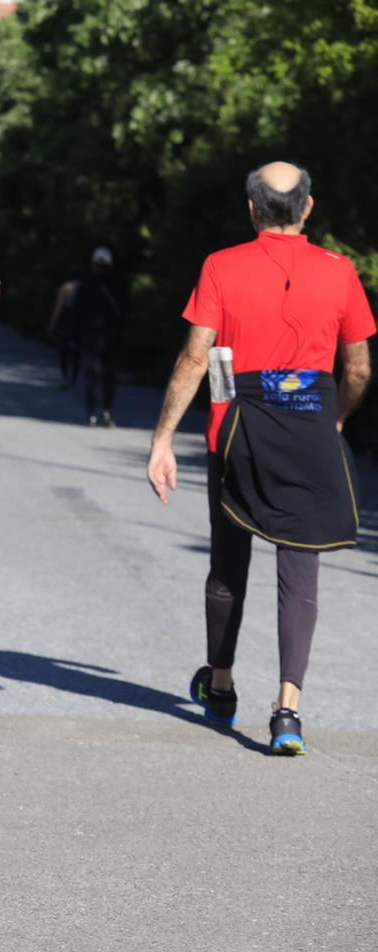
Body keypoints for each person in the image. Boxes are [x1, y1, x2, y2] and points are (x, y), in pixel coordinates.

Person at [146, 161, 373, 757]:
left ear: (251, 210)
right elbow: (358, 367)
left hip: (238, 428)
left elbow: (196, 360)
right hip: (310, 429)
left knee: (228, 561)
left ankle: (220, 686)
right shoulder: (340, 271)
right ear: (308, 208)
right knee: (301, 574)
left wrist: (162, 440)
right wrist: (336, 420)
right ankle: (287, 713)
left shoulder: (221, 266)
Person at [73, 246, 129, 426]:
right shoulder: (119, 284)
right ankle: (107, 411)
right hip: (112, 334)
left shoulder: (85, 282)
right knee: (109, 374)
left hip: (90, 334)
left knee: (91, 373)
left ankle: (91, 412)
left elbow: (77, 310)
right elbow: (127, 308)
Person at [47, 276, 80, 388]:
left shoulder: (66, 287)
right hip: (81, 320)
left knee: (64, 349)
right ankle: (74, 377)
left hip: (66, 319)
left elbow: (59, 306)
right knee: (77, 350)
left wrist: (52, 324)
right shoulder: (85, 286)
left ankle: (65, 375)